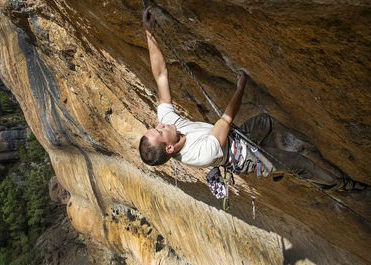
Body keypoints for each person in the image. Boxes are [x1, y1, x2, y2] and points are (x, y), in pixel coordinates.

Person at [138, 7, 366, 191]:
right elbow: (225, 120)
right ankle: (338, 184)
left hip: (237, 138)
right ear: (169, 148)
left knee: (265, 121)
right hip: (244, 156)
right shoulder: (197, 155)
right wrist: (241, 88)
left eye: (155, 127)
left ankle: (277, 166)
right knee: (300, 163)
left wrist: (149, 32)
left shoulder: (170, 125)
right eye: (158, 131)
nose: (160, 124)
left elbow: (160, 76)